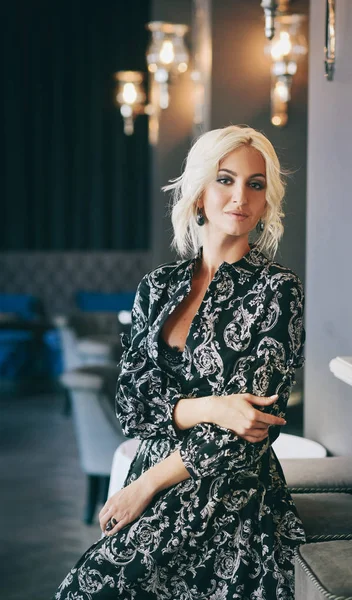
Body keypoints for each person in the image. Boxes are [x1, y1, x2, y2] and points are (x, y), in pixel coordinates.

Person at [53, 125, 307, 600]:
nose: (240, 197)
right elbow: (131, 404)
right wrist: (213, 406)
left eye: (255, 184)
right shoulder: (156, 286)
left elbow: (250, 429)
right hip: (150, 482)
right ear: (198, 195)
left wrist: (144, 485)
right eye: (225, 180)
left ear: (267, 200)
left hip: (230, 496)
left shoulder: (278, 290)